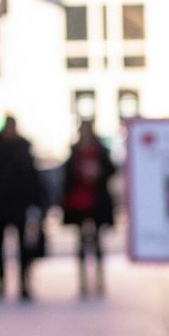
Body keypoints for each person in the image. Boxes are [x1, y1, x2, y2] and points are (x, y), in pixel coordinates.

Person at [0, 116, 45, 301]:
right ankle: (0, 282)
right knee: (0, 243)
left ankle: (23, 283)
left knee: (23, 245)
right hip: (2, 202)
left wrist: (36, 202)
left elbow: (31, 175)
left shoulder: (22, 146)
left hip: (19, 202)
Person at [59, 117, 117, 296]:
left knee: (98, 242)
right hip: (79, 201)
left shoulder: (100, 150)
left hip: (96, 200)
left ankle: (99, 280)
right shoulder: (75, 151)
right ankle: (83, 281)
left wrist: (98, 172)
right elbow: (66, 177)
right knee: (81, 243)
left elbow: (111, 170)